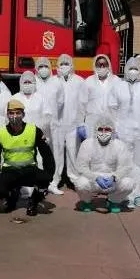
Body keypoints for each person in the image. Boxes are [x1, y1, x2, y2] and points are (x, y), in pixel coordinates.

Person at [108, 56, 140, 208]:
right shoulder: (119, 86)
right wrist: (116, 125)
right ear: (125, 70)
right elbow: (111, 106)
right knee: (126, 164)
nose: (132, 71)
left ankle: (138, 195)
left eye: (135, 68)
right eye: (130, 68)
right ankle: (127, 196)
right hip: (123, 132)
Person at [0, 100, 55, 216]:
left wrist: (49, 174)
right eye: (11, 113)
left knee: (44, 179)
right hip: (10, 171)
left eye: (18, 113)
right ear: (7, 115)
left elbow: (47, 154)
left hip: (29, 170)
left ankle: (33, 202)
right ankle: (11, 198)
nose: (14, 116)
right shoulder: (0, 133)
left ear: (23, 115)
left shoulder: (34, 130)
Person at [66, 114, 135, 213]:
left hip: (112, 180)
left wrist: (115, 177)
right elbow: (81, 166)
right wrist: (95, 178)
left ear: (112, 131)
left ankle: (113, 201)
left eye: (107, 130)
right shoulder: (87, 144)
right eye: (100, 129)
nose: (103, 133)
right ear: (95, 130)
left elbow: (125, 167)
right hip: (93, 179)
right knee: (80, 183)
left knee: (129, 183)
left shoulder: (119, 145)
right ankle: (87, 202)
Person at [50, 53, 88, 195]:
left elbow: (84, 103)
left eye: (67, 64)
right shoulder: (53, 81)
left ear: (72, 65)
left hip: (73, 124)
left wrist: (81, 123)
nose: (64, 66)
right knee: (57, 153)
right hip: (57, 124)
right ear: (57, 66)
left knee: (73, 152)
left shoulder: (79, 81)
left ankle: (75, 179)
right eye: (61, 64)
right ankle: (54, 180)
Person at [84, 54, 121, 136]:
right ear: (95, 66)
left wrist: (119, 125)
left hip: (111, 122)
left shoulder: (117, 81)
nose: (102, 67)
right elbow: (82, 103)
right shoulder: (88, 81)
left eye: (104, 64)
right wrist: (80, 124)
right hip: (92, 123)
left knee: (110, 146)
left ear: (108, 65)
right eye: (99, 65)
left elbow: (122, 104)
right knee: (92, 146)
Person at [11, 70, 53, 140]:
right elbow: (8, 116)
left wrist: (39, 129)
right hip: (18, 135)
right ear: (21, 83)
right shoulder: (14, 98)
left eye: (29, 82)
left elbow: (48, 116)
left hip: (37, 135)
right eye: (25, 82)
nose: (27, 84)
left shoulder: (41, 98)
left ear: (34, 83)